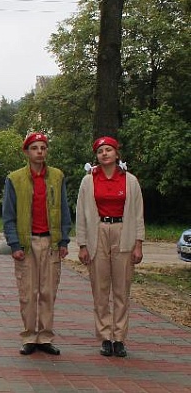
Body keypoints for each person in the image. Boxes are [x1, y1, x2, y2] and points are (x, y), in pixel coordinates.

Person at [2, 132, 71, 356]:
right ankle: (29, 336)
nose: (39, 151)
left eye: (43, 147)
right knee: (28, 292)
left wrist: (63, 240)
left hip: (50, 242)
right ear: (26, 152)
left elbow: (65, 210)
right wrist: (14, 244)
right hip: (27, 243)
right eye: (34, 148)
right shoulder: (15, 179)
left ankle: (46, 337)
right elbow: (8, 215)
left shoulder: (57, 176)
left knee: (48, 291)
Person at [76, 136, 144, 358]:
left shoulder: (130, 180)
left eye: (108, 150)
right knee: (100, 288)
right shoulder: (89, 180)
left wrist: (138, 244)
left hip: (123, 233)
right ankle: (105, 337)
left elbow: (138, 214)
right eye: (100, 151)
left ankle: (120, 337)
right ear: (96, 156)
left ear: (117, 153)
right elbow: (81, 215)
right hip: (98, 232)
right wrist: (83, 244)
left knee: (121, 289)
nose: (104, 154)